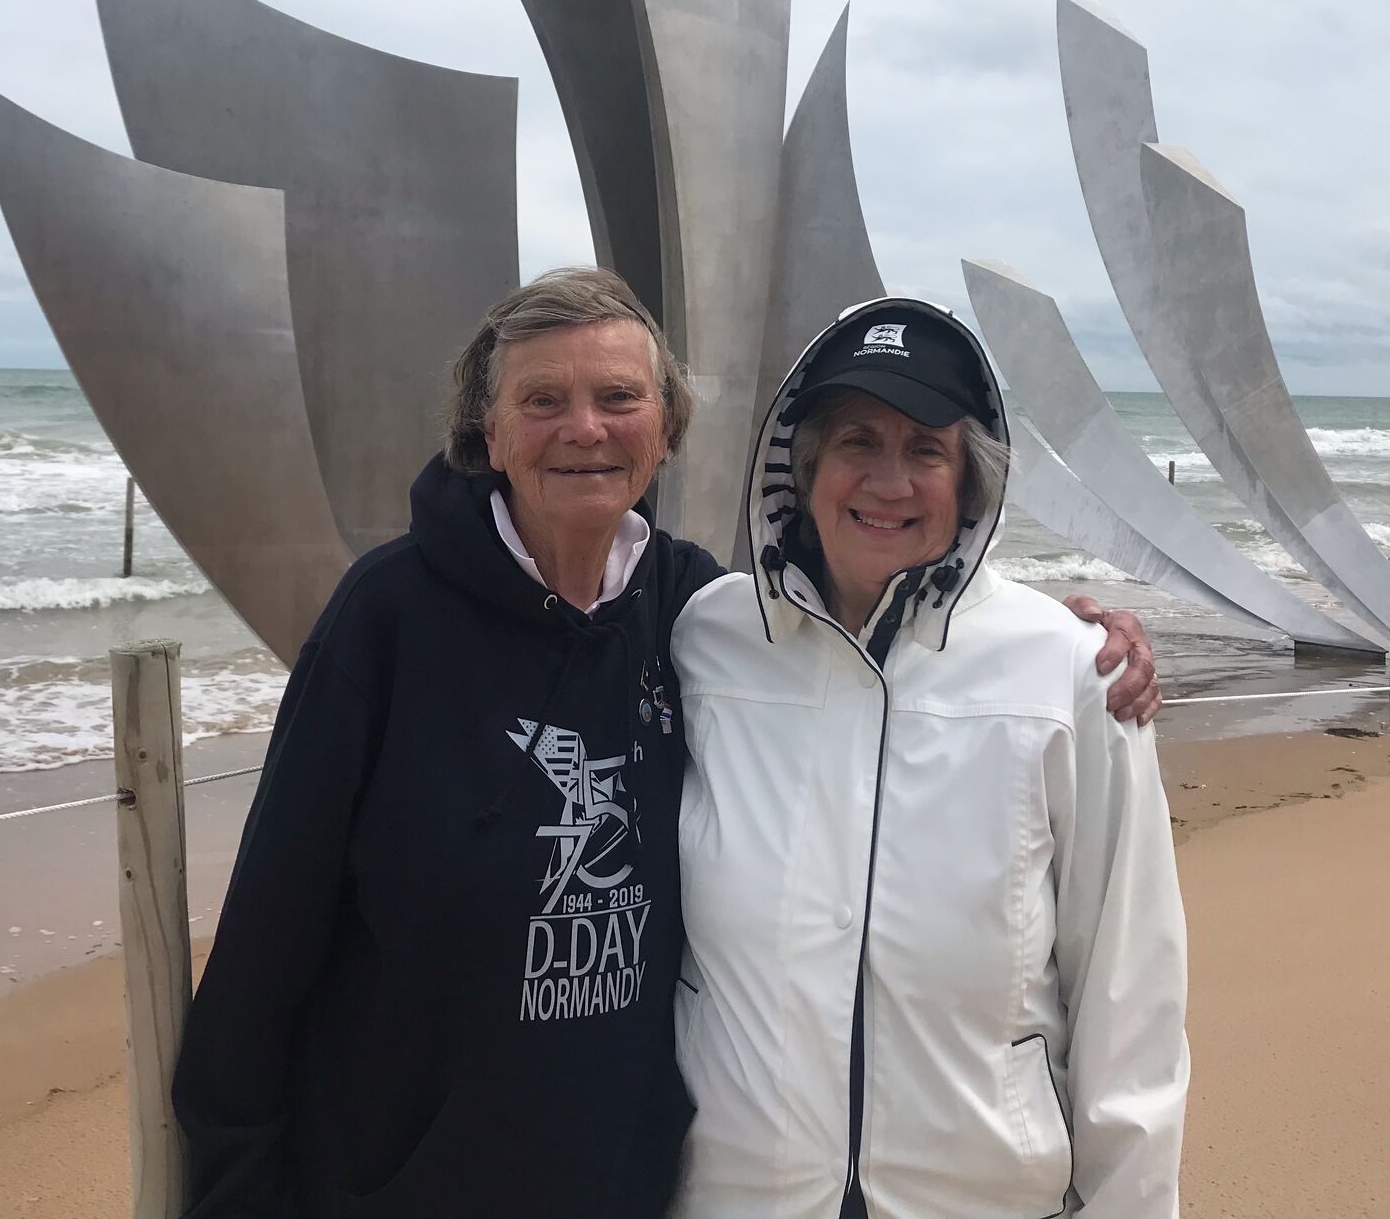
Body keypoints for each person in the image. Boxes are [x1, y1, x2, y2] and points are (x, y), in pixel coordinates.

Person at [171, 269, 1163, 1219]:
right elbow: (266, 945)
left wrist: (1072, 641)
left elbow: (1128, 1006)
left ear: (666, 426)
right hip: (431, 1191)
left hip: (650, 1192)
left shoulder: (702, 616)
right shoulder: (405, 622)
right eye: (542, 400)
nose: (584, 429)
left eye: (616, 396)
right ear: (488, 425)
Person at [670, 297, 1190, 1219]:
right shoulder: (706, 641)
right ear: (805, 466)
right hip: (740, 1197)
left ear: (972, 482)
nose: (889, 480)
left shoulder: (1075, 671)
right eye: (857, 442)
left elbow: (1130, 994)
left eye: (925, 450)